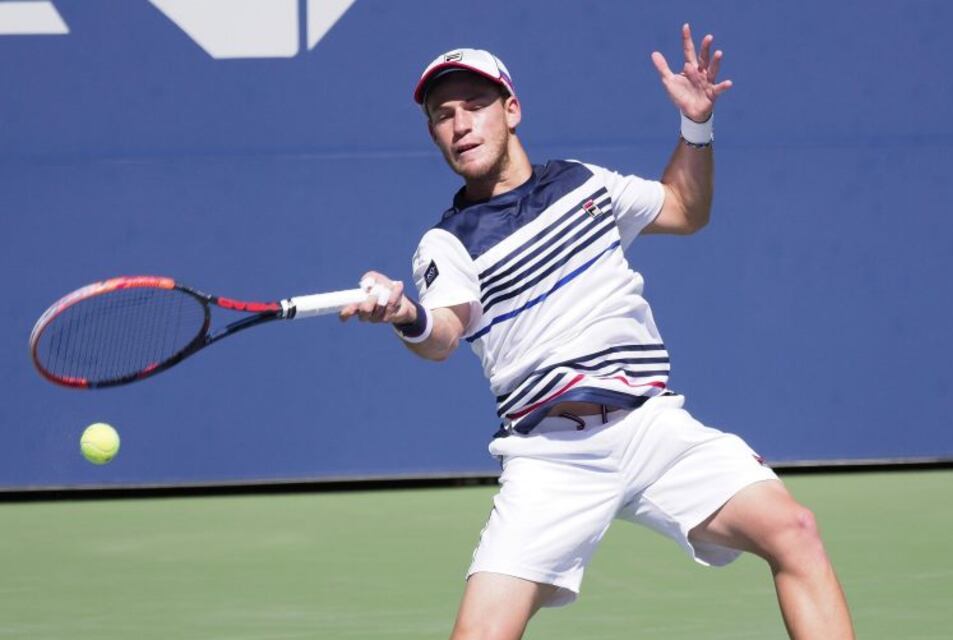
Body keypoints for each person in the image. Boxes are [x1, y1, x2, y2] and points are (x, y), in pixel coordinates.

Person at [340, 24, 855, 640]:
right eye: (443, 116)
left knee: (794, 531)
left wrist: (696, 125)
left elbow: (684, 209)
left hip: (652, 427)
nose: (460, 125)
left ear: (511, 109)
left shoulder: (583, 184)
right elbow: (444, 332)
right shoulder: (448, 242)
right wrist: (406, 315)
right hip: (551, 457)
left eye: (474, 106)